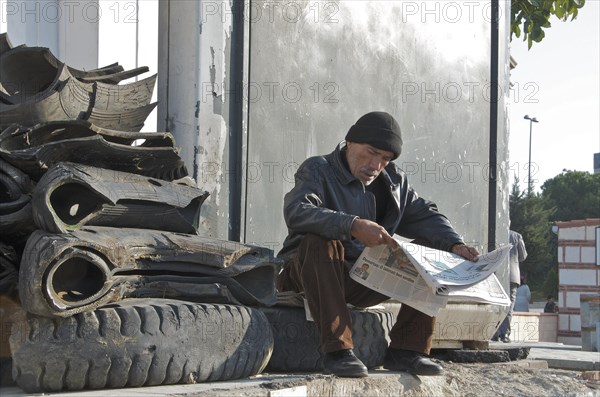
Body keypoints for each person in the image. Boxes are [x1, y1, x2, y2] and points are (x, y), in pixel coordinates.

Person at [277, 111, 479, 378]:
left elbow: (426, 215)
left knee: (434, 249)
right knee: (320, 241)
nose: (375, 164)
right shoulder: (317, 169)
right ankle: (337, 352)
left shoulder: (395, 182)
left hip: (361, 276)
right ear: (350, 143)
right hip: (308, 274)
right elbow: (297, 210)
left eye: (385, 158)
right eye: (370, 152)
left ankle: (407, 351)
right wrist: (352, 225)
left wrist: (456, 244)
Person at [492, 230, 527, 343]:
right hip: (512, 276)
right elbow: (523, 256)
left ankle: (494, 332)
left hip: (495, 274)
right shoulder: (516, 236)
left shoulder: (492, 231)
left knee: (495, 303)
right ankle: (504, 333)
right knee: (509, 305)